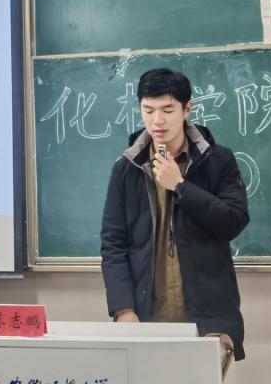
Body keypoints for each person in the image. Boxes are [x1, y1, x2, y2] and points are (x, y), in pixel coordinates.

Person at [100, 67, 249, 370]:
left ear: (187, 108)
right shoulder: (126, 168)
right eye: (148, 110)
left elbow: (233, 221)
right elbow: (114, 244)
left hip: (208, 320)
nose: (158, 120)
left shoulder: (218, 160)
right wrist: (123, 309)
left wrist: (180, 186)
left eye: (168, 110)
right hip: (145, 317)